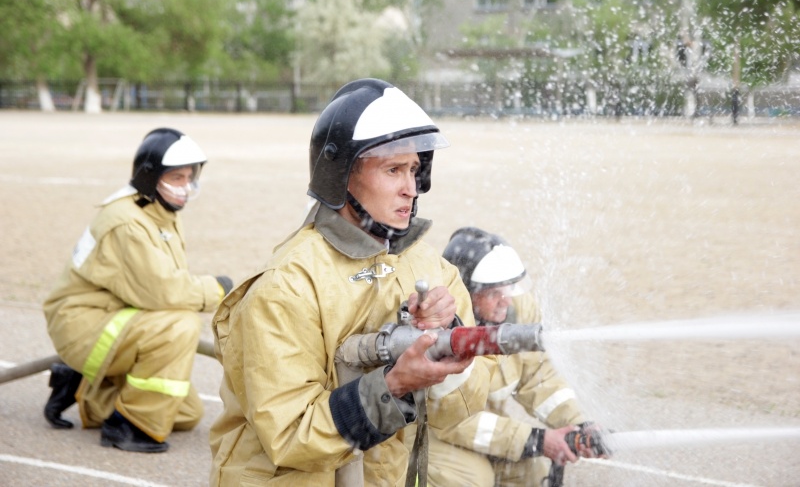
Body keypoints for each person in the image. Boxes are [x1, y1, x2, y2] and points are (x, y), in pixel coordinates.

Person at [209, 78, 495, 485]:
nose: (410, 189)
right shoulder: (288, 285)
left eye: (415, 170)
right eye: (393, 169)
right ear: (341, 176)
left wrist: (447, 347)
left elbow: (456, 413)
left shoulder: (428, 269)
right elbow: (290, 436)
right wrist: (394, 385)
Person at [42, 127, 233, 453]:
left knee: (186, 413)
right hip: (82, 324)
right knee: (180, 325)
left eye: (190, 176)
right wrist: (216, 290)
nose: (185, 186)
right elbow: (162, 291)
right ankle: (129, 427)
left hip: (116, 317)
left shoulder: (157, 211)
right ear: (149, 176)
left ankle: (84, 391)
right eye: (176, 177)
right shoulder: (127, 222)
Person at [421, 226, 606, 487]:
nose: (505, 300)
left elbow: (539, 378)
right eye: (494, 292)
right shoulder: (445, 336)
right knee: (473, 479)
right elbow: (456, 421)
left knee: (530, 471)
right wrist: (538, 440)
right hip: (437, 433)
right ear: (467, 294)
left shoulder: (519, 312)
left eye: (509, 288)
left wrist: (579, 423)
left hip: (487, 426)